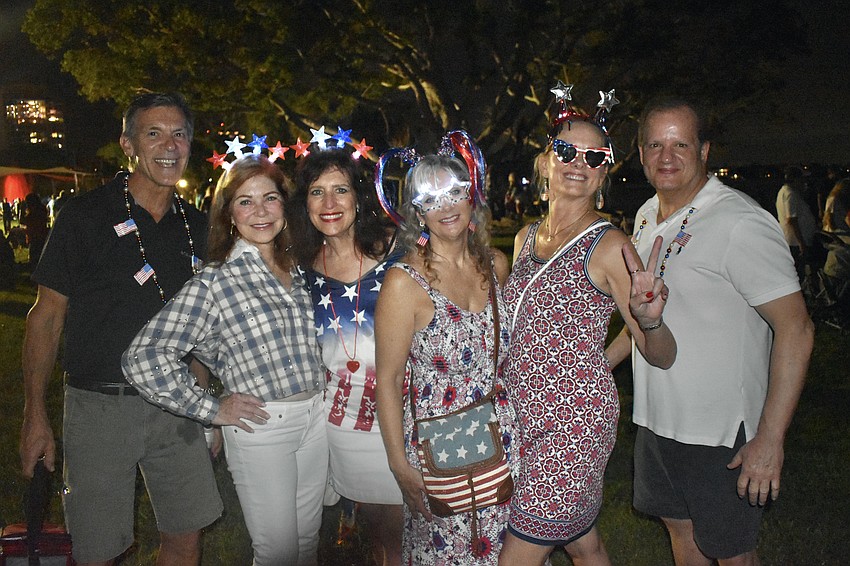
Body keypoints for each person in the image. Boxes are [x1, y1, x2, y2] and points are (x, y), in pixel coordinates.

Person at [608, 97, 814, 565]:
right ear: (639, 155)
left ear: (704, 150)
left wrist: (770, 437)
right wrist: (594, 368)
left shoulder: (739, 222)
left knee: (732, 553)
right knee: (683, 537)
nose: (666, 157)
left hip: (723, 433)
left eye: (680, 143)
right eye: (655, 145)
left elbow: (797, 329)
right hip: (658, 422)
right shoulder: (645, 217)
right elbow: (640, 320)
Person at [19, 92, 222, 566]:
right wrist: (34, 413)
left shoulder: (197, 227)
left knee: (186, 533)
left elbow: (201, 323)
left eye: (180, 134)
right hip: (100, 405)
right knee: (100, 548)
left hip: (178, 409)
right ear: (128, 143)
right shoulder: (84, 216)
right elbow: (45, 317)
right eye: (154, 133)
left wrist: (205, 403)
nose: (169, 145)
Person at [498, 87, 676, 566]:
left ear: (604, 171)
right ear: (545, 163)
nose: (578, 162)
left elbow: (659, 353)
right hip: (520, 417)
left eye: (594, 155)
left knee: (514, 556)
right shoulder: (525, 237)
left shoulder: (611, 244)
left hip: (573, 427)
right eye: (565, 150)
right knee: (583, 543)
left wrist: (650, 321)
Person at [123, 153, 328, 566]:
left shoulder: (303, 271)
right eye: (245, 201)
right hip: (263, 427)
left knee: (306, 545)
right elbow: (143, 356)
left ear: (285, 207)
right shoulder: (217, 280)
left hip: (316, 419)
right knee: (278, 553)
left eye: (270, 198)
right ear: (229, 213)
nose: (260, 212)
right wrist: (211, 409)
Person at [375, 140, 514, 564]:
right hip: (441, 453)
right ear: (418, 213)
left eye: (455, 192)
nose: (447, 206)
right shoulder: (404, 283)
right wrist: (400, 465)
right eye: (431, 198)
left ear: (471, 197)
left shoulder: (495, 264)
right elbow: (389, 381)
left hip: (505, 441)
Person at [287, 146, 404, 565]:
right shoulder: (299, 268)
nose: (330, 204)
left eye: (340, 190)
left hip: (406, 413)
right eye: (317, 192)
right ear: (305, 205)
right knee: (381, 537)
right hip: (348, 425)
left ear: (359, 196)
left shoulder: (398, 251)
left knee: (411, 535)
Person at [776, 166, 819, 280]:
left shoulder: (784, 192)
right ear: (795, 179)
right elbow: (792, 220)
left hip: (792, 241)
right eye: (802, 179)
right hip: (795, 242)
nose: (804, 182)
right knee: (798, 274)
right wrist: (802, 244)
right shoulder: (791, 194)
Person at [20, 192, 50, 269]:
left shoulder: (33, 212)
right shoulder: (42, 209)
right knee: (41, 254)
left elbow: (24, 221)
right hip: (42, 235)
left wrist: (22, 210)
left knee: (34, 255)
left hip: (35, 236)